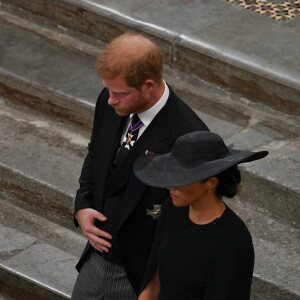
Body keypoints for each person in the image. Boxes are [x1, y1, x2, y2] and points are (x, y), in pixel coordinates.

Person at [71, 33, 209, 299]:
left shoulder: (187, 136)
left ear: (148, 85)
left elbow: (187, 221)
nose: (110, 100)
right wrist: (83, 204)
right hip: (95, 259)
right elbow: (95, 155)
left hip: (141, 275)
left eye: (120, 93)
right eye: (109, 90)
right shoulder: (108, 101)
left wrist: (153, 285)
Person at [134, 131, 268, 300]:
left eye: (181, 178)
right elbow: (154, 280)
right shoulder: (173, 209)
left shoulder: (233, 241)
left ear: (211, 183)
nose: (170, 186)